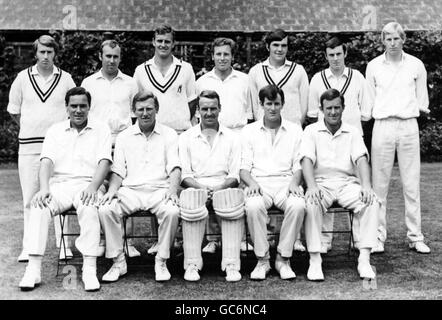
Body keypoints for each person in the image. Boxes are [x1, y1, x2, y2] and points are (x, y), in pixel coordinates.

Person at [18, 87, 112, 291]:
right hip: (60, 185)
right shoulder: (55, 130)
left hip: (88, 184)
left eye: (83, 106)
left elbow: (105, 162)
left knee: (89, 207)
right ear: (66, 107)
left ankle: (89, 268)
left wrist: (93, 187)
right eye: (74, 106)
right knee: (39, 206)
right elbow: (46, 162)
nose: (78, 110)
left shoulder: (102, 129)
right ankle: (33, 270)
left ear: (89, 107)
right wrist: (43, 188)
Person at [98, 91, 181, 282]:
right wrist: (111, 191)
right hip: (131, 191)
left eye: (149, 109)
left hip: (160, 189)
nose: (145, 113)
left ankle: (161, 260)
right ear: (133, 111)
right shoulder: (124, 136)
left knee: (172, 211)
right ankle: (118, 262)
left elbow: (175, 167)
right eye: (140, 109)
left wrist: (172, 190)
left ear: (156, 109)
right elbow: (118, 171)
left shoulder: (169, 134)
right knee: (105, 208)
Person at [7, 35, 76, 262]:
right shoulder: (22, 78)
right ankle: (28, 247)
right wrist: (31, 130)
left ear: (55, 54)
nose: (45, 57)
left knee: (58, 197)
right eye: (42, 52)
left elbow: (75, 109)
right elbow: (14, 111)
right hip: (29, 148)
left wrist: (54, 138)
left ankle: (63, 244)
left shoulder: (65, 79)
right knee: (30, 198)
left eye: (50, 52)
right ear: (35, 53)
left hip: (60, 149)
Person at [365, 22, 431, 254]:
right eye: (388, 39)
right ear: (383, 40)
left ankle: (415, 236)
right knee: (378, 186)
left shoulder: (416, 65)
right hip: (382, 126)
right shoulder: (373, 66)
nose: (392, 43)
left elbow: (422, 100)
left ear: (403, 39)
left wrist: (416, 110)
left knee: (411, 184)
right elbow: (369, 102)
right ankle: (377, 237)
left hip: (408, 126)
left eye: (396, 39)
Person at [301, 88, 379, 281]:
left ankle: (364, 258)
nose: (333, 112)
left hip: (347, 184)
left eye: (337, 107)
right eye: (329, 108)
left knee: (372, 201)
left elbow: (361, 159)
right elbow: (306, 160)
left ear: (343, 108)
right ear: (321, 109)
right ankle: (315, 259)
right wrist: (311, 186)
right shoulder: (311, 131)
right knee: (310, 202)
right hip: (321, 185)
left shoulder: (352, 131)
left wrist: (367, 186)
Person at [307, 36, 371, 253]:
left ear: (345, 54)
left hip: (351, 141)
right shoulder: (317, 79)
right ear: (326, 56)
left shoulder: (358, 77)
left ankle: (360, 241)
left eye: (338, 54)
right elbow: (312, 112)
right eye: (331, 55)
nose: (335, 59)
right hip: (324, 142)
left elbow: (365, 112)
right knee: (324, 187)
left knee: (353, 187)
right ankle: (324, 243)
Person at [81, 39, 140, 258]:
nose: (112, 60)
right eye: (108, 56)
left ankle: (129, 241)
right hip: (97, 144)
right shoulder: (89, 83)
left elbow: (136, 116)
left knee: (126, 189)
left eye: (116, 57)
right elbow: (84, 116)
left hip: (125, 142)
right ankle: (103, 239)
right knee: (100, 190)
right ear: (100, 56)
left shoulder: (131, 83)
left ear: (120, 58)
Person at [240, 85, 305, 280]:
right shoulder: (249, 130)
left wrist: (295, 183)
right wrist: (251, 183)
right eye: (269, 104)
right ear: (261, 105)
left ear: (282, 104)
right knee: (253, 206)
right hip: (259, 183)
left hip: (286, 182)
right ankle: (263, 260)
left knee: (298, 204)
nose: (273, 108)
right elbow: (243, 167)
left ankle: (283, 259)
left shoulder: (294, 130)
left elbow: (299, 164)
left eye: (277, 103)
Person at [178, 90, 244, 282]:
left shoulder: (232, 137)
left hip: (224, 187)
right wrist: (200, 189)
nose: (209, 113)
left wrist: (218, 190)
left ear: (220, 109)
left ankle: (231, 263)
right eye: (204, 109)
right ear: (197, 110)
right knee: (191, 197)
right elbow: (185, 174)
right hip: (195, 186)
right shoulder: (186, 137)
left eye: (213, 109)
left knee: (229, 197)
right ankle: (192, 264)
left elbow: (234, 174)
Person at [195, 37, 253, 253]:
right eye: (218, 54)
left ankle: (239, 236)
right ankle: (213, 238)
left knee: (237, 184)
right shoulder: (201, 82)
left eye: (226, 54)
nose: (222, 58)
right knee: (210, 178)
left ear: (232, 56)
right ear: (212, 56)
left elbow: (251, 113)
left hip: (238, 135)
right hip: (211, 135)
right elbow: (198, 114)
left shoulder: (244, 80)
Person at [133, 24, 197, 134]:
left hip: (180, 132)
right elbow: (136, 103)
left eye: (167, 41)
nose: (163, 45)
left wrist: (178, 120)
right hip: (152, 133)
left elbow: (192, 101)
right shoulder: (141, 70)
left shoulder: (186, 68)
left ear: (173, 44)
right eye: (159, 41)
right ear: (153, 42)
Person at [248, 28, 309, 126]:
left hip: (292, 129)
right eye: (276, 45)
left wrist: (297, 126)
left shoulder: (298, 70)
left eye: (283, 46)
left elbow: (304, 104)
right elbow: (255, 105)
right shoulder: (255, 71)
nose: (280, 49)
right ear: (268, 47)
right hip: (264, 130)